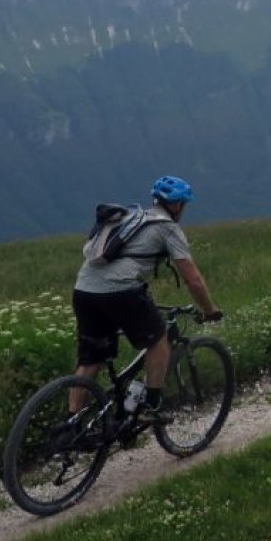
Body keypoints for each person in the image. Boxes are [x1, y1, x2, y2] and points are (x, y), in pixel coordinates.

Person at [69, 175, 222, 421]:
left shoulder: (130, 217)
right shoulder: (168, 228)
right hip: (121, 292)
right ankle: (151, 406)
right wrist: (210, 310)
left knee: (91, 359)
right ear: (177, 205)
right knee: (159, 340)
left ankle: (71, 423)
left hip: (84, 291)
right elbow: (193, 280)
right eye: (184, 203)